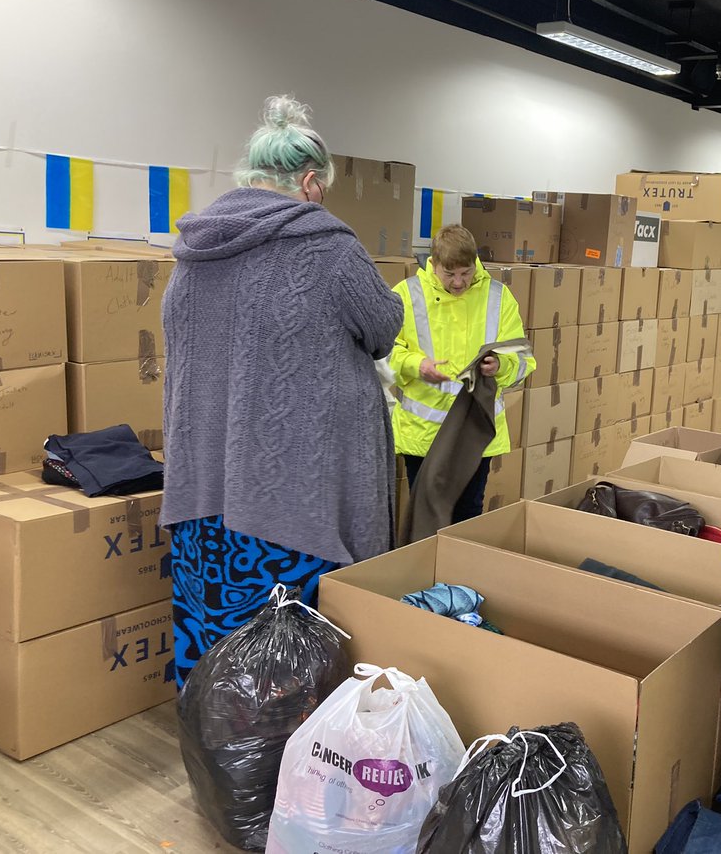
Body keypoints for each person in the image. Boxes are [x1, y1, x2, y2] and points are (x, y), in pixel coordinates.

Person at [161, 95, 403, 687]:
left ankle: (217, 746)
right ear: (311, 182)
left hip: (206, 493)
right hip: (297, 503)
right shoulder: (329, 246)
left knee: (217, 647)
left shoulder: (194, 251)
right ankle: (297, 763)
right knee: (293, 661)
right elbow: (383, 327)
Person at [389, 225, 534, 523]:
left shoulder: (498, 296)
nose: (458, 283)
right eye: (450, 274)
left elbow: (522, 359)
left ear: (475, 264)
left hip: (475, 432)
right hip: (424, 434)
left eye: (466, 273)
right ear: (434, 263)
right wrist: (417, 365)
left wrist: (500, 366)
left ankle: (459, 569)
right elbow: (384, 352)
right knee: (426, 517)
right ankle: (427, 570)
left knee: (468, 515)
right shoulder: (406, 295)